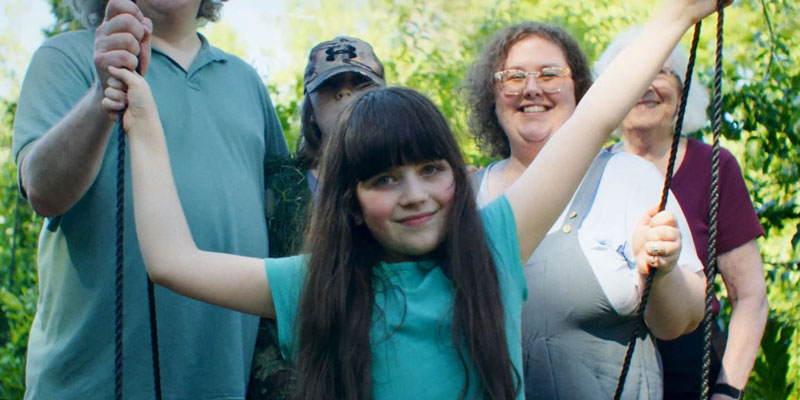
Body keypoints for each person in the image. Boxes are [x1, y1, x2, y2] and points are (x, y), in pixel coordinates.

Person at [105, 0, 724, 398]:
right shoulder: (316, 282)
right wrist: (143, 115)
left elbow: (593, 118)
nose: (415, 195)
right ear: (349, 201)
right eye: (383, 180)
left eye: (431, 168)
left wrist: (674, 16)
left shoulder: (494, 247)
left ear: (456, 172)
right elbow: (170, 259)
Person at [11, 0, 288, 398]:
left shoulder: (245, 81)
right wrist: (100, 92)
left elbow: (288, 219)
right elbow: (42, 191)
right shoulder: (67, 55)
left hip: (223, 387)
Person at [463, 20, 707, 400]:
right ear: (490, 97)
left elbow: (682, 322)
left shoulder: (628, 178)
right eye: (513, 77)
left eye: (550, 74)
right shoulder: (461, 200)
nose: (532, 88)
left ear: (581, 92)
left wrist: (662, 270)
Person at [595, 28, 767, 400]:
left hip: (692, 369)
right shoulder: (590, 169)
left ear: (683, 91)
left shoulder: (714, 167)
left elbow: (750, 295)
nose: (646, 84)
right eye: (634, 73)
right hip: (602, 370)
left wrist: (727, 391)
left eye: (661, 72)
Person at [249, 36, 386, 399]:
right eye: (330, 87)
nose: (345, 95)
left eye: (360, 83)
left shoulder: (411, 181)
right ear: (309, 104)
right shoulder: (277, 187)